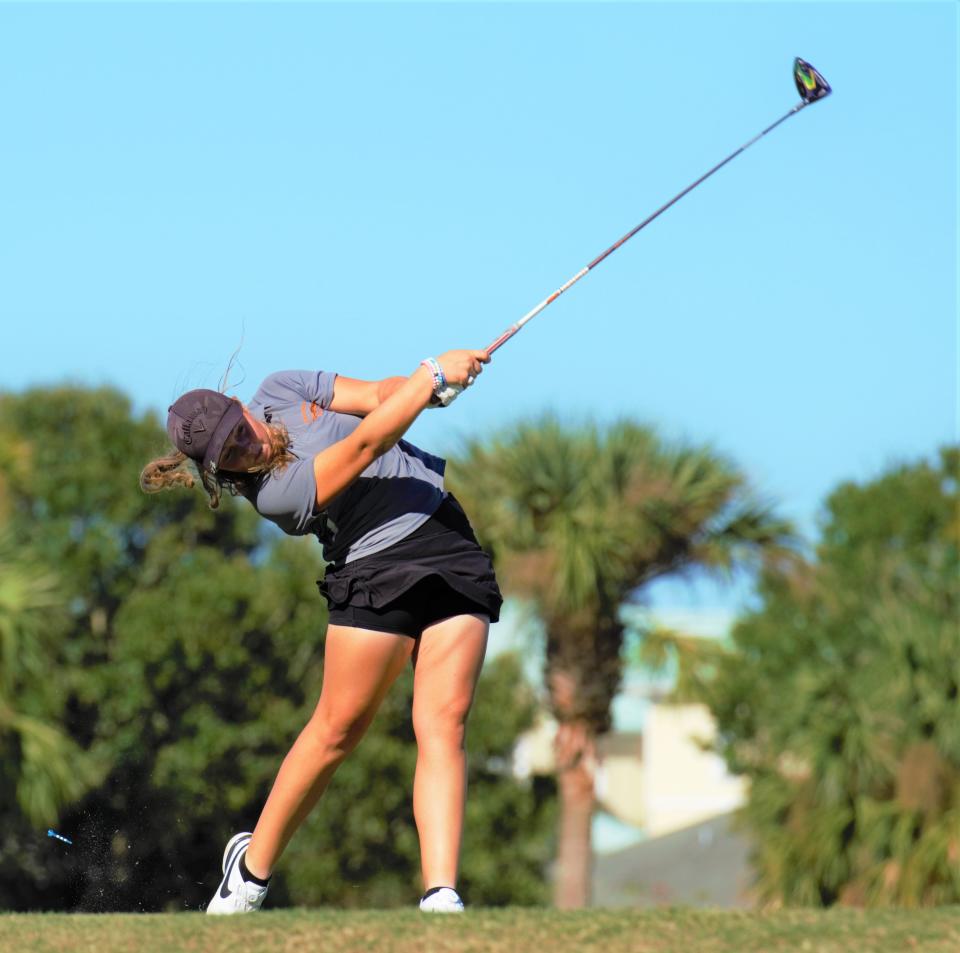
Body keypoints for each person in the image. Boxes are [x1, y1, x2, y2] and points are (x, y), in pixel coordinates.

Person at [140, 349, 499, 915]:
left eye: (239, 434)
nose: (244, 452)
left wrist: (422, 391)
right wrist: (430, 373)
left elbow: (377, 398)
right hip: (376, 568)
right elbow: (364, 445)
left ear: (240, 406)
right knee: (337, 730)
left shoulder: (282, 386)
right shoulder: (272, 495)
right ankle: (251, 874)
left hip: (447, 539)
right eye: (228, 458)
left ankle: (441, 894)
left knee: (444, 721)